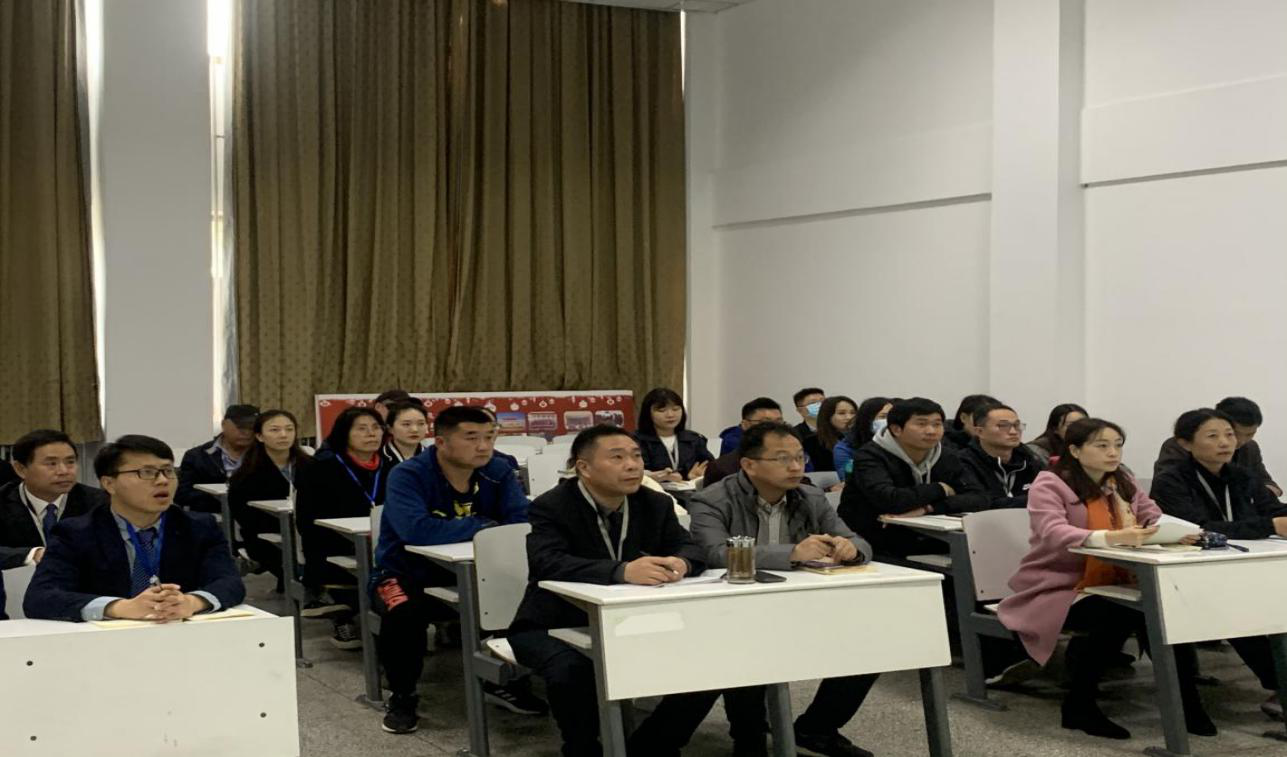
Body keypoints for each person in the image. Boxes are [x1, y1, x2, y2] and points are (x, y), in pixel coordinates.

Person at [997, 418, 1214, 740]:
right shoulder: (1051, 483)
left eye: (1117, 445)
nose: (1113, 453)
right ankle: (1079, 705)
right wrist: (1110, 538)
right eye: (1102, 445)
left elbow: (1152, 514)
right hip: (1059, 585)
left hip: (1117, 578)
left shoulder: (1122, 481)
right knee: (1118, 613)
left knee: (1163, 610)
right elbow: (1053, 531)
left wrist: (1173, 532)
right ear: (1075, 450)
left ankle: (1187, 703)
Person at [508, 425, 712, 757]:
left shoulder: (655, 503)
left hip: (633, 620)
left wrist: (682, 562)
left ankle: (652, 746)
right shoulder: (553, 505)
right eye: (617, 458)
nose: (632, 465)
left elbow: (692, 549)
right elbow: (547, 562)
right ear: (584, 467)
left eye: (636, 456)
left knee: (710, 665)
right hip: (555, 621)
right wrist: (621, 571)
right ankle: (582, 748)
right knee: (571, 672)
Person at [688, 421, 876, 757]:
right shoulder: (712, 499)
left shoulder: (810, 496)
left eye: (800, 458)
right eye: (783, 459)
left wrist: (852, 550)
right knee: (748, 650)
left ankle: (817, 728)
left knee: (871, 645)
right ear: (749, 464)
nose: (795, 467)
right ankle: (749, 737)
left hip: (798, 604)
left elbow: (856, 539)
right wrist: (791, 553)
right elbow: (714, 554)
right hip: (731, 609)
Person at [372, 405, 539, 735]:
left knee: (529, 598)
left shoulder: (498, 470)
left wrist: (473, 529)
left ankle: (504, 679)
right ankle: (403, 695)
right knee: (403, 613)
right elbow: (416, 530)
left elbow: (520, 520)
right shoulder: (409, 475)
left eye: (489, 437)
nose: (483, 446)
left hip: (478, 570)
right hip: (404, 572)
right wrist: (483, 525)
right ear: (441, 442)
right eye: (471, 438)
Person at [1151, 408, 1286, 719]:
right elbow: (1198, 527)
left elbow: (1271, 509)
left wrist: (1277, 519)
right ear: (1185, 443)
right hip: (1191, 571)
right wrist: (1269, 526)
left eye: (1229, 435)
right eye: (1212, 436)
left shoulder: (1241, 475)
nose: (1225, 443)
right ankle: (1280, 684)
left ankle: (1280, 685)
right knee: (1241, 613)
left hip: (1242, 565)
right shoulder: (1171, 481)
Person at [23, 435, 245, 622]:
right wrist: (120, 607)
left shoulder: (199, 526)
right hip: (105, 642)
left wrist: (191, 602)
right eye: (146, 472)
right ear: (109, 483)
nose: (162, 481)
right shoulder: (75, 533)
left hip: (178, 635)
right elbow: (40, 598)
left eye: (168, 471)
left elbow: (230, 582)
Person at [838, 397, 989, 559]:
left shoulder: (946, 455)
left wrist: (929, 508)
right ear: (896, 429)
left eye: (937, 424)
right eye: (921, 424)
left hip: (930, 538)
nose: (931, 431)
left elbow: (980, 498)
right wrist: (941, 488)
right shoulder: (869, 456)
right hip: (874, 542)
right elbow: (891, 500)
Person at [295, 406, 394, 648]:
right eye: (362, 429)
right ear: (344, 433)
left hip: (382, 540)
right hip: (333, 541)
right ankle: (344, 615)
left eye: (376, 428)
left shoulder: (391, 468)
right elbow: (307, 518)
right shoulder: (321, 466)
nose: (371, 434)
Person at [0, 429, 109, 570]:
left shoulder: (100, 502)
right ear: (21, 469)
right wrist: (33, 554)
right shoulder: (3, 500)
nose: (64, 471)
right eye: (51, 464)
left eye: (70, 462)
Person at [227, 410, 312, 582]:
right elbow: (245, 517)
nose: (283, 435)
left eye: (289, 429)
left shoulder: (312, 466)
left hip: (308, 531)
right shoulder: (246, 475)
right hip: (266, 536)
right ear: (259, 436)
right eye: (275, 430)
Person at [1154, 397, 1280, 496]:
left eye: (1249, 434)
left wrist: (1263, 494)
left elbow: (1268, 483)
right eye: (1234, 433)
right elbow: (1167, 487)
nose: (1241, 441)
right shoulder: (1178, 446)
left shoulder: (1249, 448)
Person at [957, 404, 1045, 509]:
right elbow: (982, 502)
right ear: (980, 432)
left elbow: (1050, 494)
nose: (1013, 432)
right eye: (1003, 426)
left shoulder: (1029, 460)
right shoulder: (964, 462)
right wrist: (1035, 500)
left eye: (1017, 425)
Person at [175, 403, 259, 513]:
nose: (247, 433)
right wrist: (220, 497)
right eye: (240, 427)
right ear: (224, 424)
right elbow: (182, 494)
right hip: (211, 515)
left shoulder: (265, 455)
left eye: (252, 428)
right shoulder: (196, 456)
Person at [634, 387, 714, 482]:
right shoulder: (636, 440)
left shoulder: (694, 439)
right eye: (662, 410)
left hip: (689, 489)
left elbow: (712, 467)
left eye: (675, 409)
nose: (670, 415)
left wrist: (697, 477)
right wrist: (657, 477)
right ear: (648, 413)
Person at [702, 397, 785, 488]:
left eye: (779, 422)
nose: (774, 428)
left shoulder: (789, 463)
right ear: (745, 425)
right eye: (765, 423)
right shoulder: (723, 469)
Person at [834, 397, 893, 480]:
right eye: (883, 416)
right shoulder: (845, 448)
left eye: (891, 416)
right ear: (867, 419)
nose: (888, 421)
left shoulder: (896, 442)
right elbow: (847, 477)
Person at [803, 395, 857, 475]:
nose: (849, 417)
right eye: (841, 413)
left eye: (853, 413)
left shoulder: (863, 439)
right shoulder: (812, 442)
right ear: (828, 416)